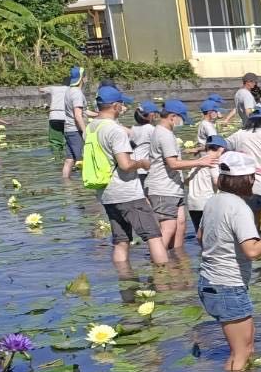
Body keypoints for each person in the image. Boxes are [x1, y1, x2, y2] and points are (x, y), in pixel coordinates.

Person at [197, 150, 261, 371]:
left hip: (209, 282)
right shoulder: (239, 208)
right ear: (245, 180)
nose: (255, 180)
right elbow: (252, 251)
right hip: (228, 286)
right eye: (253, 176)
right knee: (242, 352)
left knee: (247, 347)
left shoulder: (213, 201)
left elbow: (200, 238)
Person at [89, 84, 167, 268]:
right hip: (126, 192)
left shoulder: (91, 128)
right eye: (122, 104)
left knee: (121, 240)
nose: (124, 108)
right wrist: (142, 163)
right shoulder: (115, 131)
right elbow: (125, 165)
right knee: (154, 236)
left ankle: (124, 278)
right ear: (115, 105)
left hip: (106, 193)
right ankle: (165, 280)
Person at [147, 98, 215, 251]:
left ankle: (178, 261)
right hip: (163, 188)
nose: (181, 122)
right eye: (181, 119)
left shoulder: (166, 133)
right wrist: (200, 162)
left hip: (173, 187)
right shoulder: (164, 135)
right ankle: (158, 263)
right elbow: (173, 164)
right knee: (169, 227)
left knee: (180, 225)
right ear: (172, 117)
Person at [184, 135, 227, 237]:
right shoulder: (213, 162)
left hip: (192, 204)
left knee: (200, 234)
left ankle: (203, 252)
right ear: (221, 149)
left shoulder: (198, 162)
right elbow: (216, 181)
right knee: (211, 235)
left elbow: (186, 182)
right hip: (206, 203)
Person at [42, 65, 85, 164]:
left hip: (54, 116)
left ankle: (57, 159)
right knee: (69, 141)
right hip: (66, 117)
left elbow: (41, 90)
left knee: (55, 142)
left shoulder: (54, 88)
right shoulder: (72, 90)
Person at [58, 66, 88, 179]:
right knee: (82, 160)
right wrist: (85, 131)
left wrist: (98, 114)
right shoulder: (77, 93)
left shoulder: (68, 91)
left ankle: (66, 184)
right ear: (82, 78)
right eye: (85, 76)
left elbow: (82, 111)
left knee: (69, 159)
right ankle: (83, 188)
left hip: (68, 129)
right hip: (76, 130)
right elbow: (77, 115)